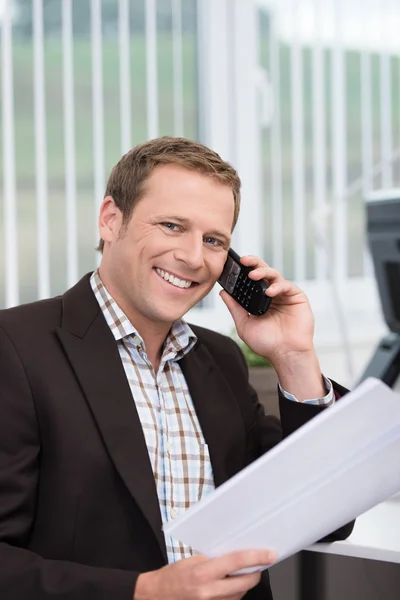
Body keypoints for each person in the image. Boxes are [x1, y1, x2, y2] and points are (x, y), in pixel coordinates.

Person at [0, 137, 353, 600]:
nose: (192, 257)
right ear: (111, 219)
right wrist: (144, 591)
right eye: (171, 226)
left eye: (213, 240)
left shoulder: (220, 361)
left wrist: (293, 356)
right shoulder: (16, 347)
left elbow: (326, 517)